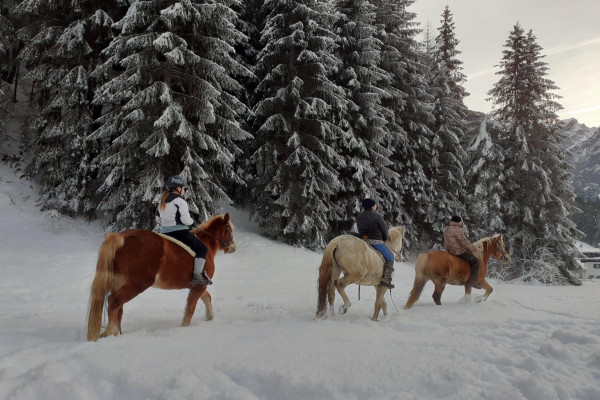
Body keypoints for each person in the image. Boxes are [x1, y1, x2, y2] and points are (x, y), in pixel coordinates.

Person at [156, 175, 212, 286]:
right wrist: (192, 222)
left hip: (164, 233)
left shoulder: (161, 202)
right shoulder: (180, 202)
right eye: (183, 188)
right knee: (202, 249)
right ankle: (197, 275)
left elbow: (158, 220)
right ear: (178, 188)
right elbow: (186, 220)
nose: (184, 191)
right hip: (179, 234)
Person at [356, 198, 395, 289]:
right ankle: (385, 278)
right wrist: (385, 238)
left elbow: (359, 230)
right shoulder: (377, 216)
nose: (376, 206)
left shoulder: (360, 216)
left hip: (363, 241)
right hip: (375, 241)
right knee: (390, 257)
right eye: (375, 205)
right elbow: (384, 229)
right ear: (372, 206)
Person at [443, 215, 481, 288]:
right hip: (458, 252)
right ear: (457, 222)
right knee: (475, 261)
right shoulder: (458, 229)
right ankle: (472, 281)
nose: (461, 223)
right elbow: (463, 241)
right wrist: (475, 249)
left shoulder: (447, 229)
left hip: (449, 251)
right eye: (460, 221)